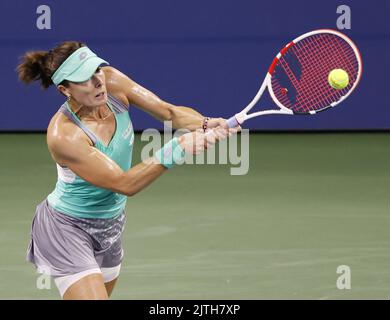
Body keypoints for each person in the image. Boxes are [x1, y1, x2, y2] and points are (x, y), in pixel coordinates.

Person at [17, 41, 238, 299]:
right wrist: (179, 147)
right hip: (66, 230)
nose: (97, 82)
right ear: (65, 89)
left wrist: (205, 123)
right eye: (84, 79)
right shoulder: (64, 134)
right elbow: (124, 184)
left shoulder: (111, 82)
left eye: (96, 70)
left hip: (111, 225)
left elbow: (169, 112)